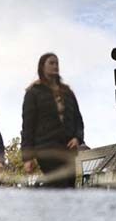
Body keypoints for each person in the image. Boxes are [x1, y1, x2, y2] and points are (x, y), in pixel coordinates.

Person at [21, 53, 85, 188]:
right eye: (51, 63)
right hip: (46, 147)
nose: (55, 66)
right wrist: (28, 157)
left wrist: (77, 138)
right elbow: (27, 126)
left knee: (69, 185)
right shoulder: (33, 92)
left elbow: (78, 119)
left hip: (67, 148)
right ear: (42, 66)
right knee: (59, 184)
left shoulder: (67, 92)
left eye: (57, 63)